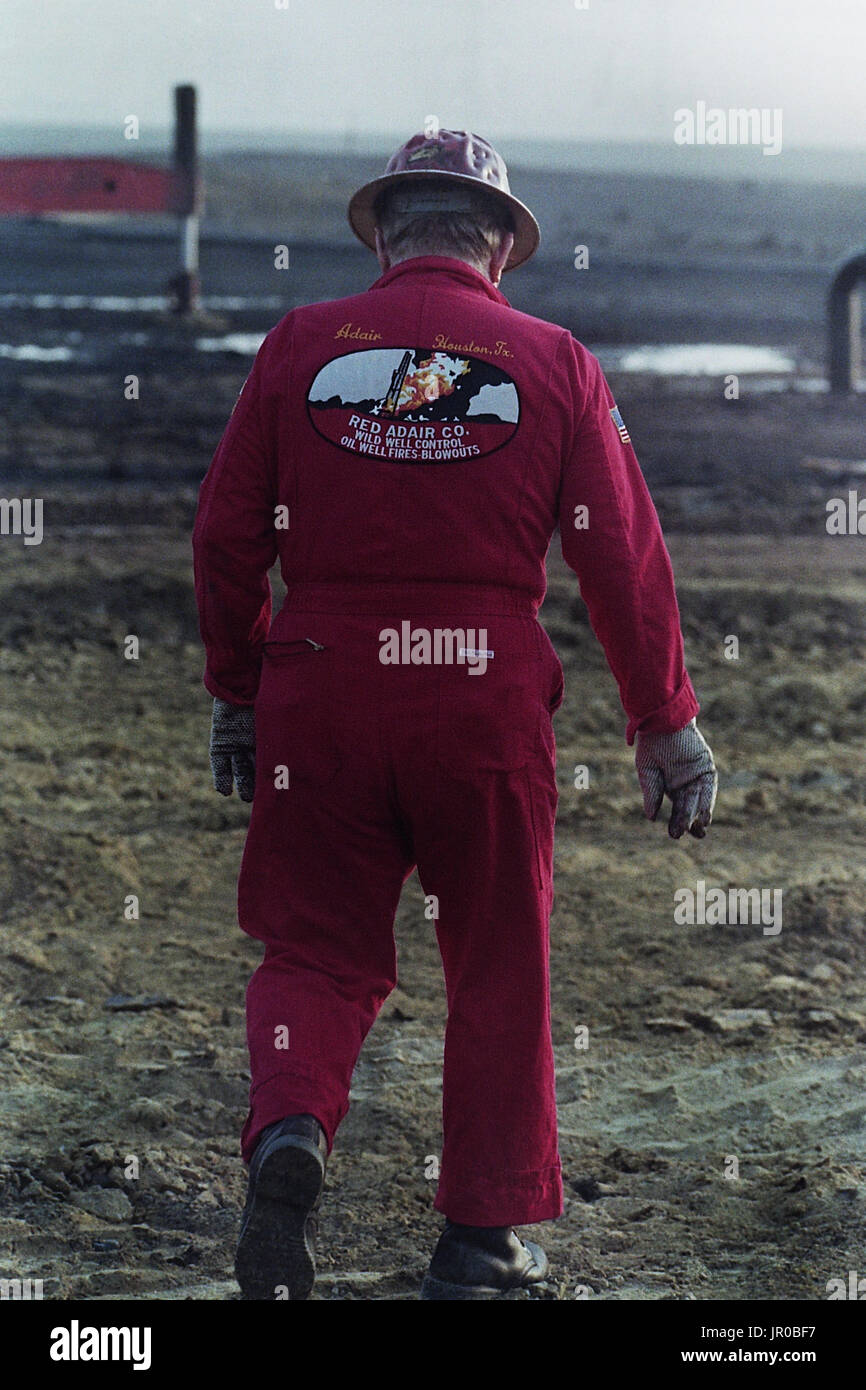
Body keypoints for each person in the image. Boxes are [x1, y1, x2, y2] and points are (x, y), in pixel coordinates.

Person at [192, 127, 717, 1302]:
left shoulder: (296, 346)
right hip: (480, 697)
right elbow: (620, 556)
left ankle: (289, 1132)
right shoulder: (557, 361)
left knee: (315, 946)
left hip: (318, 687)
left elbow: (223, 538)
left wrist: (239, 691)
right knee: (494, 963)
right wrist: (661, 720)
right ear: (497, 244)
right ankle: (480, 1245)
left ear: (385, 231)